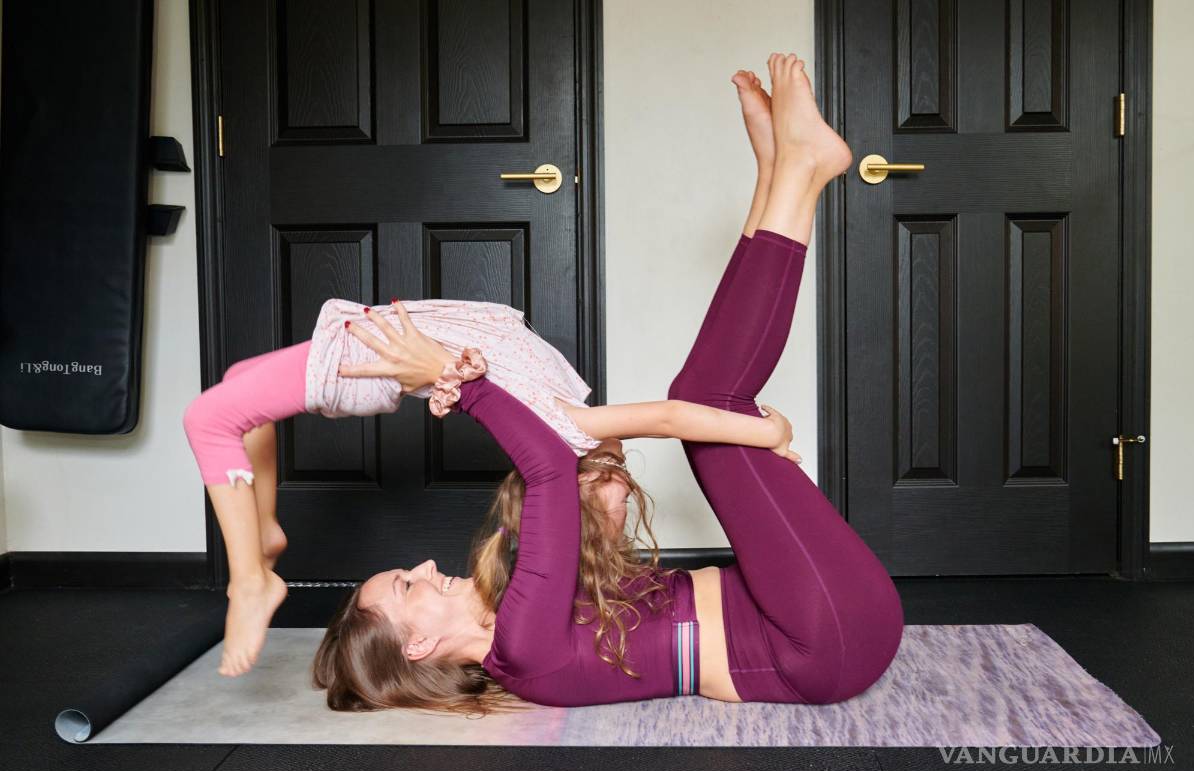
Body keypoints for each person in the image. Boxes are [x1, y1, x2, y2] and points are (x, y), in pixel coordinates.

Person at [312, 54, 904, 712]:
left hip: (815, 608)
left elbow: (567, 482)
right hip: (823, 639)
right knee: (705, 403)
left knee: (701, 395)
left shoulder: (515, 615)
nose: (421, 567)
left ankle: (782, 179)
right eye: (404, 587)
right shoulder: (523, 649)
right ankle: (796, 175)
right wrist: (460, 387)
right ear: (415, 644)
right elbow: (546, 473)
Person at [183, 236, 802, 677]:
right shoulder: (570, 425)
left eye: (610, 486)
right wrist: (763, 434)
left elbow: (671, 418)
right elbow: (669, 419)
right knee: (237, 388)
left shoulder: (567, 431)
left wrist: (764, 434)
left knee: (208, 417)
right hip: (409, 347)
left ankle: (251, 577)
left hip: (391, 354)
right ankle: (259, 535)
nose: (622, 474)